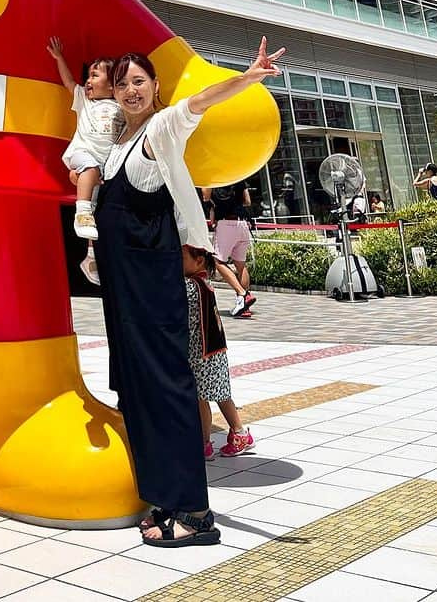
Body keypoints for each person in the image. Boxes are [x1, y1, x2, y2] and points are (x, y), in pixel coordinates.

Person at [95, 37, 284, 548]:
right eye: (122, 83)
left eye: (139, 81)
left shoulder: (162, 127)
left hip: (155, 284)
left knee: (170, 387)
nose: (130, 90)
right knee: (137, 390)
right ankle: (163, 497)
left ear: (155, 88)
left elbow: (199, 102)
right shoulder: (115, 146)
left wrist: (247, 78)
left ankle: (196, 514)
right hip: (123, 291)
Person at [46, 37, 124, 285]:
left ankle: (91, 255)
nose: (88, 81)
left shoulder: (121, 106)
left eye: (95, 76)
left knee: (100, 208)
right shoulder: (85, 101)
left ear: (113, 86)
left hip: (105, 165)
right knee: (89, 184)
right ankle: (80, 212)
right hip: (82, 153)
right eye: (89, 76)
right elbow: (69, 82)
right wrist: (60, 58)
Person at [183, 245, 255, 460]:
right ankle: (227, 437)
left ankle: (217, 440)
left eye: (182, 257)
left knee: (207, 397)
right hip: (212, 349)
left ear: (199, 261)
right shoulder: (205, 282)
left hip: (201, 352)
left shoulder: (189, 286)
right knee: (215, 396)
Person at [203, 182, 255, 317]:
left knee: (217, 261)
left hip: (225, 223)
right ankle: (244, 305)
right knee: (241, 265)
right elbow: (247, 201)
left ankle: (243, 295)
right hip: (242, 223)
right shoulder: (238, 177)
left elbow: (205, 196)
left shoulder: (215, 178)